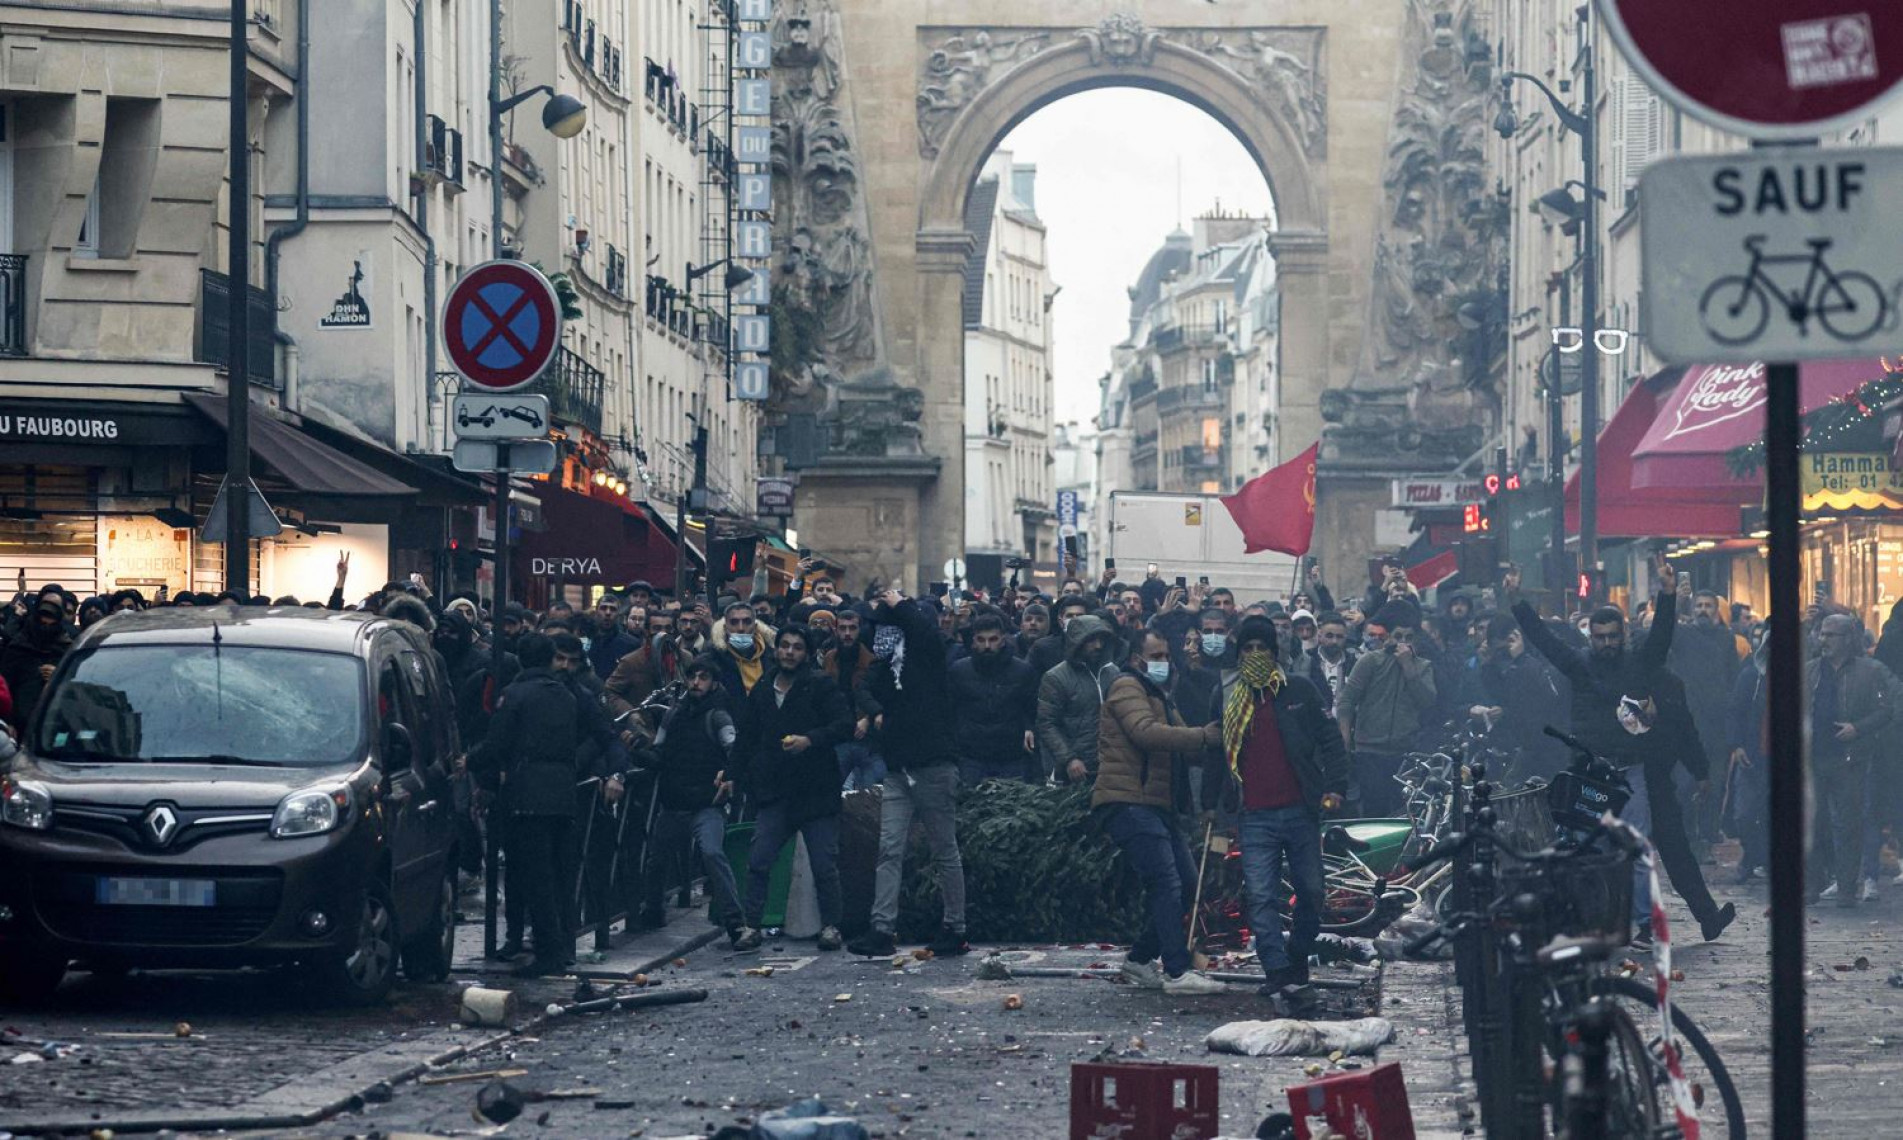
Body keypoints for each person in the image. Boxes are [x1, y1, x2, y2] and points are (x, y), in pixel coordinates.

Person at [1204, 615, 1350, 991]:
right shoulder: (1228, 696)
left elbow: (1331, 741)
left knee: (1312, 890)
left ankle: (1298, 953)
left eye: (1262, 649)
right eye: (1248, 649)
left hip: (1300, 810)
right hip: (1254, 815)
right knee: (1261, 895)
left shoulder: (1298, 690)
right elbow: (1216, 754)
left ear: (1274, 652)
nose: (1255, 655)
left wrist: (1335, 787)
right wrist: (1209, 804)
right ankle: (1276, 967)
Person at [1093, 629, 1228, 995]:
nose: (1164, 662)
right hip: (1130, 801)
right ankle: (1176, 970)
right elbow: (1147, 733)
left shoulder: (1159, 695)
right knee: (1166, 883)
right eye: (1157, 655)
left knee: (1183, 886)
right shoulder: (1127, 687)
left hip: (1157, 805)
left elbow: (1185, 740)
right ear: (1137, 659)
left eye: (1167, 656)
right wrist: (1204, 736)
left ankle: (1139, 960)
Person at [851, 589, 968, 958]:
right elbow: (865, 688)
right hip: (899, 768)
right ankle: (882, 928)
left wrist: (899, 603)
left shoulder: (927, 657)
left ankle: (955, 926)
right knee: (889, 849)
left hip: (933, 765)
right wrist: (874, 710)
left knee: (944, 850)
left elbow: (925, 633)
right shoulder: (885, 666)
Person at [735, 626, 855, 951]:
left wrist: (811, 740)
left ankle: (831, 925)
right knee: (759, 859)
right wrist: (734, 774)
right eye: (785, 646)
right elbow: (747, 736)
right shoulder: (763, 687)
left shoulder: (819, 685)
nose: (789, 652)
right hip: (776, 791)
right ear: (776, 650)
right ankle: (751, 925)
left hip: (815, 790)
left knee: (823, 864)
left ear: (806, 653)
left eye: (797, 647)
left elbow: (844, 724)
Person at [470, 633, 581, 977]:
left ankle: (548, 950)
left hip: (526, 794)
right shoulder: (565, 694)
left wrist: (469, 762)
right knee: (559, 874)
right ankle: (561, 945)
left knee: (536, 877)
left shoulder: (515, 695)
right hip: (563, 792)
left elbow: (496, 744)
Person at [633, 653, 750, 945]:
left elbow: (734, 750)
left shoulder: (718, 716)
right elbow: (658, 753)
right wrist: (637, 748)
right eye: (692, 677)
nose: (696, 683)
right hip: (674, 803)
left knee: (712, 854)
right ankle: (653, 909)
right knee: (656, 860)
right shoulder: (674, 715)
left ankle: (735, 921)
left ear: (713, 683)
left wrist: (728, 775)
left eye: (703, 677)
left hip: (705, 805)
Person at [1808, 613, 1896, 906]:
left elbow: (1886, 709)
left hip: (1849, 758)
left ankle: (1847, 887)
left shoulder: (1869, 672)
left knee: (1848, 824)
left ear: (1847, 639)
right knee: (1813, 822)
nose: (1824, 640)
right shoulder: (1810, 671)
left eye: (1831, 635)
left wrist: (1858, 728)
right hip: (1814, 757)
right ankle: (1813, 883)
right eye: (1822, 634)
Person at [1335, 607, 1436, 816]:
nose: (1403, 641)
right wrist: (1345, 740)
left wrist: (1409, 667)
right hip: (1369, 751)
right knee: (1375, 810)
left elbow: (1427, 701)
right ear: (1388, 636)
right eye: (1398, 635)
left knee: (1403, 812)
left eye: (1409, 637)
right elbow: (1346, 700)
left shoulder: (1423, 666)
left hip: (1404, 752)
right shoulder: (1371, 661)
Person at [948, 613, 1040, 785]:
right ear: (974, 640)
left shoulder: (1023, 672)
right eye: (981, 640)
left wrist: (1029, 728)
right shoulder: (959, 671)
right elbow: (949, 710)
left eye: (993, 639)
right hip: (971, 755)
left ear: (1003, 639)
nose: (987, 645)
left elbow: (1032, 708)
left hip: (1010, 755)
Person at [1035, 613, 1121, 784]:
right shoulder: (1056, 677)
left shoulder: (1113, 673)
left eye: (1101, 640)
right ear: (1077, 642)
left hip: (1111, 765)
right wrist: (1069, 759)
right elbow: (1047, 723)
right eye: (1091, 640)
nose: (1098, 646)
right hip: (1075, 769)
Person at [1724, 639, 1770, 884]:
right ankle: (1752, 856)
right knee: (1744, 814)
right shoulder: (1751, 677)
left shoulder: (1803, 676)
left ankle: (1763, 859)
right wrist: (1737, 745)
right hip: (1753, 757)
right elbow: (1735, 711)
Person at [0, 594, 71, 730]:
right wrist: (8, 722)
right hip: (19, 725)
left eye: (51, 617)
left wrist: (58, 676)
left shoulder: (66, 648)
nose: (46, 622)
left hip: (55, 725)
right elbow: (6, 686)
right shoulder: (19, 646)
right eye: (44, 615)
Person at [1300, 611, 1358, 716]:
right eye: (1329, 636)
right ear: (1320, 636)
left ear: (1346, 637)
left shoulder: (1354, 663)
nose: (1334, 641)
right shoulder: (1306, 659)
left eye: (1339, 637)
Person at [713, 601, 773, 695]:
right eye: (734, 622)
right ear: (725, 628)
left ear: (755, 626)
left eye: (747, 622)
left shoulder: (772, 656)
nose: (740, 628)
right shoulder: (714, 659)